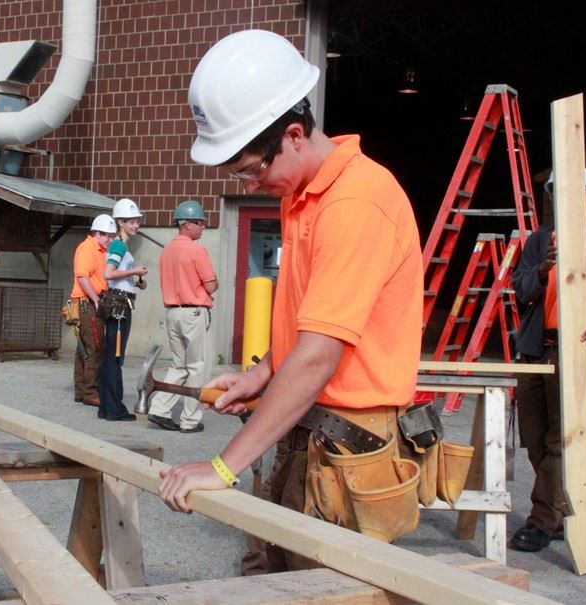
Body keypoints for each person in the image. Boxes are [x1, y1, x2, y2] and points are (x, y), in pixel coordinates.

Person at [157, 30, 424, 572]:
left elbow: (321, 354)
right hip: (309, 429)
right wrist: (263, 373)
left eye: (253, 169)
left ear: (295, 135)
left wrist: (224, 465)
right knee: (271, 574)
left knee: (321, 587)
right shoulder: (303, 196)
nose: (252, 185)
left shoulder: (357, 202)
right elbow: (311, 325)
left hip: (349, 448)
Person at [508, 169, 586, 552]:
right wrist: (544, 269)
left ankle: (541, 521)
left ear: (585, 197)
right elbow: (521, 289)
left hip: (571, 350)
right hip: (535, 348)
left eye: (572, 191)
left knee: (559, 441)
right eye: (556, 190)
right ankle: (559, 509)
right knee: (535, 439)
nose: (563, 196)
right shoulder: (538, 242)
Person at [146, 199, 218, 433]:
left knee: (179, 365)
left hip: (172, 312)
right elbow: (211, 285)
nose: (203, 227)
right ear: (187, 224)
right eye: (200, 222)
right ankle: (190, 420)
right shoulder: (197, 250)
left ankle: (159, 408)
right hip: (194, 312)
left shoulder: (167, 251)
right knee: (198, 367)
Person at [97, 198, 148, 421]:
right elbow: (108, 274)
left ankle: (107, 406)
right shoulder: (119, 245)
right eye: (132, 222)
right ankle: (113, 407)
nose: (136, 225)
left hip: (121, 302)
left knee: (112, 356)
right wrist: (134, 270)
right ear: (121, 222)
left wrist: (136, 281)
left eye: (137, 221)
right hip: (119, 307)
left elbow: (117, 277)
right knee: (114, 356)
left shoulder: (120, 246)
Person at [71, 214, 117, 407]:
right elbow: (83, 277)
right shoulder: (88, 248)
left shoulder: (98, 249)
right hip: (86, 302)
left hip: (85, 302)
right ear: (97, 233)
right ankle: (90, 392)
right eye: (107, 235)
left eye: (112, 236)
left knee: (84, 348)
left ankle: (81, 390)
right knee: (95, 347)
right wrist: (97, 300)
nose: (110, 239)